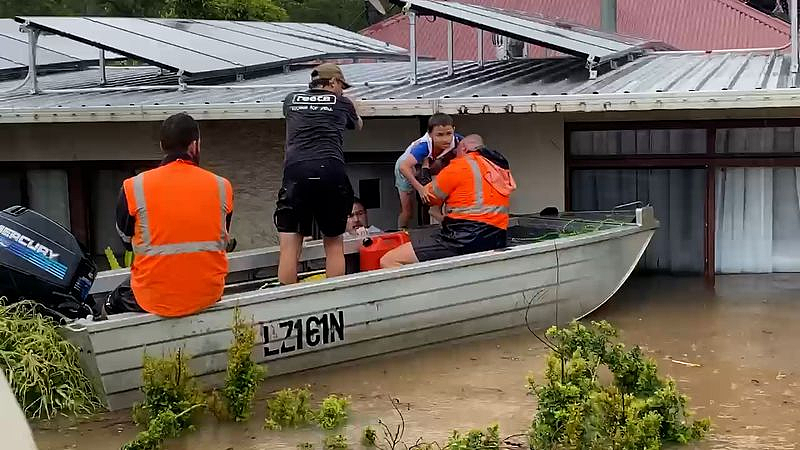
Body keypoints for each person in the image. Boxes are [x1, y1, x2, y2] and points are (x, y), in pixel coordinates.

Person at [106, 113, 234, 317]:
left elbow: (125, 240)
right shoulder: (222, 186)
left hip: (153, 298)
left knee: (113, 302)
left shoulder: (133, 187)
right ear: (194, 145)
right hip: (208, 294)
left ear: (161, 145)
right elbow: (222, 236)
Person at [275, 63, 363, 285]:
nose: (342, 91)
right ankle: (333, 300)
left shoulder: (291, 99)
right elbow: (357, 125)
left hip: (296, 171)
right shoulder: (342, 102)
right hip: (329, 170)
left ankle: (287, 302)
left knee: (290, 245)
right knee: (333, 243)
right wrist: (352, 105)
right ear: (333, 82)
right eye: (342, 85)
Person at [380, 134, 515, 268]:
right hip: (497, 238)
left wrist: (425, 168)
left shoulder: (459, 166)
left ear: (463, 147)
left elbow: (427, 197)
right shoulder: (499, 167)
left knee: (389, 260)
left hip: (463, 239)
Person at [394, 113, 462, 229]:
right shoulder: (424, 145)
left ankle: (437, 213)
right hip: (407, 168)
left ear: (453, 130)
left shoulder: (457, 140)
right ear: (430, 134)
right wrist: (420, 189)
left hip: (427, 165)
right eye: (439, 135)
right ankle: (401, 231)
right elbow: (404, 167)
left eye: (448, 133)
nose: (445, 139)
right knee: (407, 211)